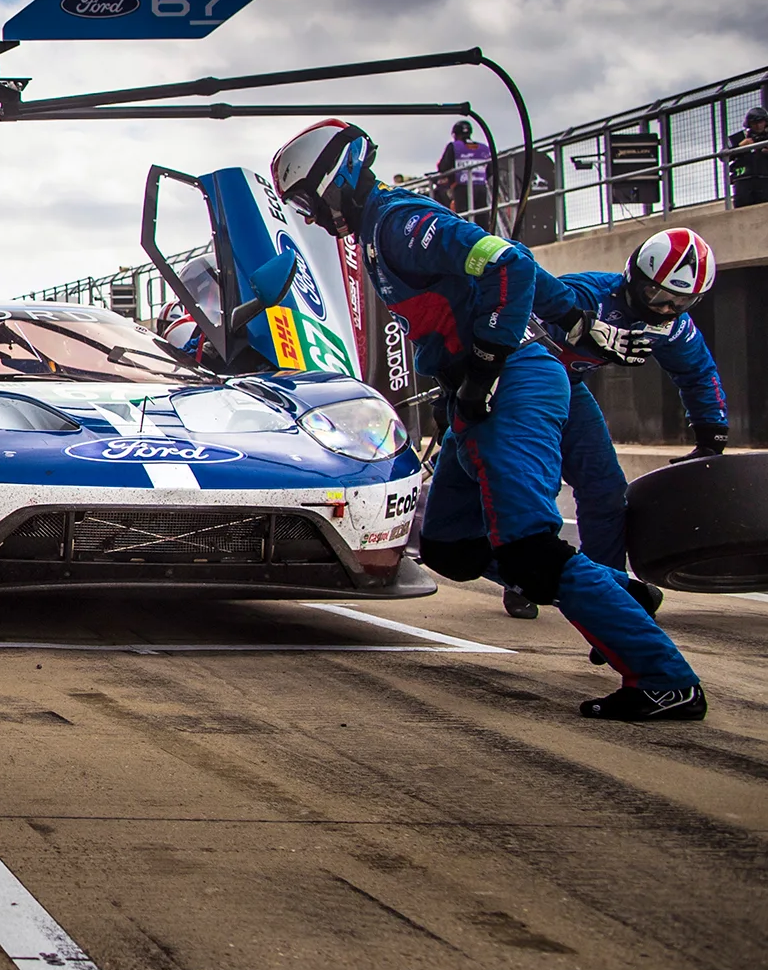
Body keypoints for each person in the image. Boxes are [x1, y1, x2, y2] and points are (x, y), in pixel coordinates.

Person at [272, 120, 704, 722]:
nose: (309, 216)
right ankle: (618, 595)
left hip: (510, 383)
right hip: (481, 390)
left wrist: (485, 360)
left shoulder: (398, 222)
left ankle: (666, 680)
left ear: (331, 180)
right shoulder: (377, 230)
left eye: (304, 201)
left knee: (528, 549)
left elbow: (508, 263)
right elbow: (517, 269)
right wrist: (577, 318)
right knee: (451, 544)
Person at [506, 228, 727, 623]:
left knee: (607, 491)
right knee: (538, 484)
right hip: (522, 386)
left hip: (571, 391)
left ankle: (607, 587)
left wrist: (711, 435)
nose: (665, 308)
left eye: (681, 301)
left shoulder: (674, 326)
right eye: (657, 296)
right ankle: (522, 576)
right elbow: (515, 330)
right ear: (634, 278)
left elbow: (698, 372)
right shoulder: (584, 294)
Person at [435, 119, 492, 217]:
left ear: (455, 135)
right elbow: (491, 170)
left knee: (464, 217)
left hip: (462, 188)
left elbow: (443, 167)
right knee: (482, 218)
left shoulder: (454, 146)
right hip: (481, 187)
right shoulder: (484, 148)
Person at [726, 107, 768, 209]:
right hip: (743, 182)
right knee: (742, 209)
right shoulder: (739, 137)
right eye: (754, 123)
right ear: (749, 124)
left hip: (765, 180)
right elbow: (723, 156)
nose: (758, 126)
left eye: (761, 122)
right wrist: (740, 147)